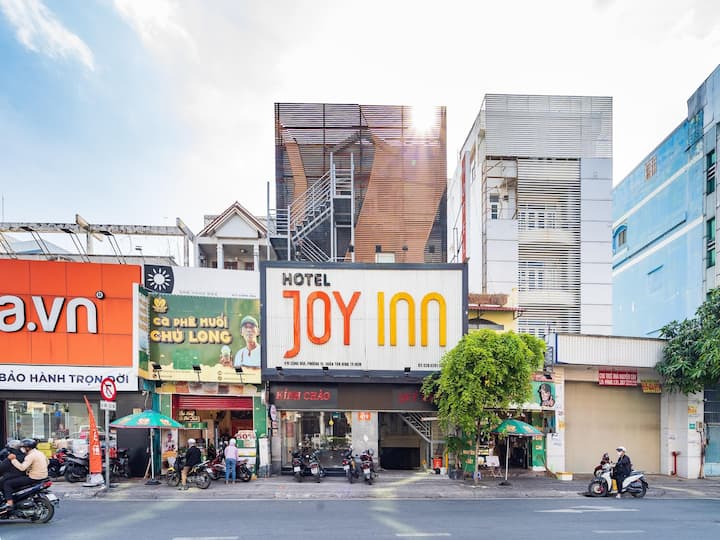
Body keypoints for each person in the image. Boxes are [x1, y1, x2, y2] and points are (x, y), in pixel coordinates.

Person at [0, 439, 48, 511]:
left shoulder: (30, 456)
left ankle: (9, 504)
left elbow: (22, 468)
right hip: (44, 476)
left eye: (23, 447)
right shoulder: (40, 453)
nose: (22, 448)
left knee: (7, 483)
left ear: (28, 448)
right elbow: (47, 462)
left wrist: (13, 459)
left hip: (34, 477)